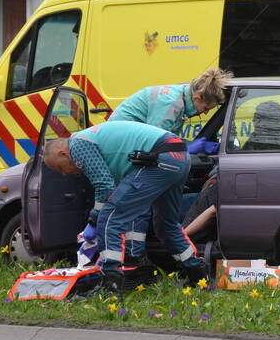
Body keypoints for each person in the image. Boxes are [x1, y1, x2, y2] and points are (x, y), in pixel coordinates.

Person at [43, 121, 208, 298]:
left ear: (63, 153)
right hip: (180, 157)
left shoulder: (78, 145)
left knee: (109, 219)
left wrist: (93, 219)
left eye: (60, 167)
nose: (64, 173)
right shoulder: (94, 139)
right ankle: (199, 277)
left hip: (158, 158)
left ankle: (110, 286)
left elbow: (104, 186)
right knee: (166, 225)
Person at [109, 67, 232, 134]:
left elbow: (169, 137)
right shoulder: (171, 103)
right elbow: (157, 141)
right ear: (196, 98)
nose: (205, 113)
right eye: (206, 108)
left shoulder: (182, 96)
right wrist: (188, 147)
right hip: (117, 139)